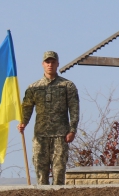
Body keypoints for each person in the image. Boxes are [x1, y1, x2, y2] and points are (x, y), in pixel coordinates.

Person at [19, 51, 80, 185]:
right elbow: (27, 107)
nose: (50, 65)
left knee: (59, 173)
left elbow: (74, 109)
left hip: (60, 135)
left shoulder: (67, 86)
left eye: (53, 62)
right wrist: (23, 122)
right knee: (41, 173)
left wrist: (72, 130)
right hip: (40, 136)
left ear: (57, 64)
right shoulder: (34, 87)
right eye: (47, 62)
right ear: (43, 64)